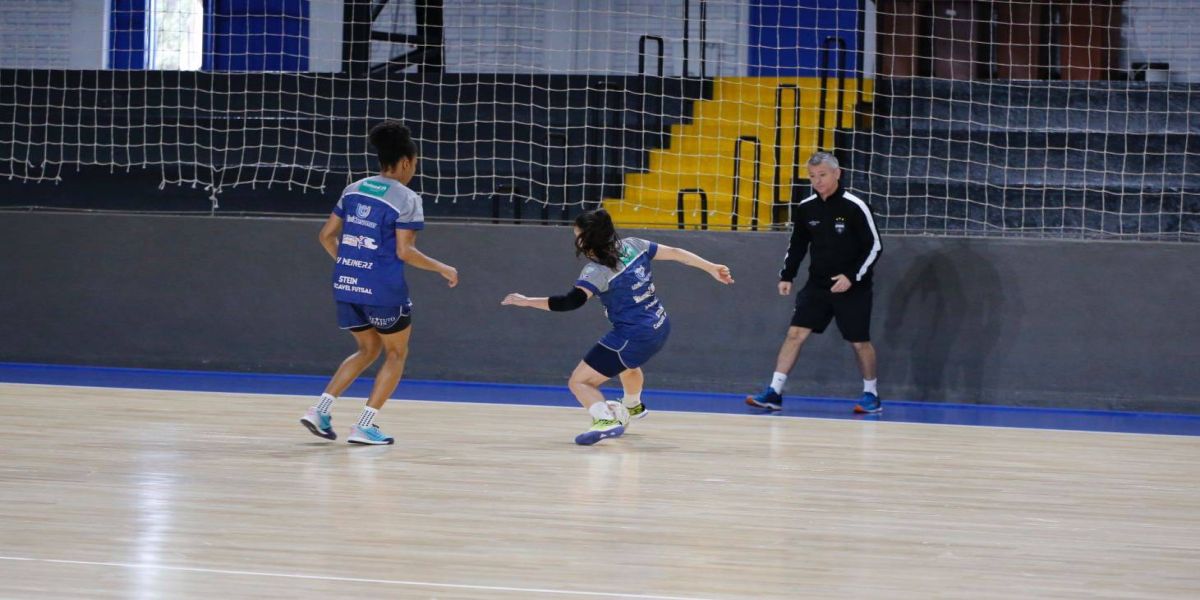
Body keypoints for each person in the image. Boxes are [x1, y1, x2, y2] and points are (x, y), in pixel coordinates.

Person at [502, 209, 733, 445]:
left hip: (632, 336)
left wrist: (528, 301)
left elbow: (569, 302)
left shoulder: (596, 271)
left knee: (579, 382)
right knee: (628, 365)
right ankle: (632, 405)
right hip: (660, 325)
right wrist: (711, 267)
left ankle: (605, 420)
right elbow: (675, 253)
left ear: (585, 239)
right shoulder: (634, 245)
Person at [300, 121, 458, 445]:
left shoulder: (353, 189)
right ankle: (364, 425)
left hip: (346, 284)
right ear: (405, 162)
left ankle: (320, 409)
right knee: (396, 354)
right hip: (383, 291)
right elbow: (405, 251)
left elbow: (326, 236)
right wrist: (443, 267)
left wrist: (350, 265)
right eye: (414, 163)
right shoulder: (407, 198)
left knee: (367, 348)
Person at [745, 152, 883, 414]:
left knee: (859, 341)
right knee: (795, 334)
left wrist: (852, 277)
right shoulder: (806, 207)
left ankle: (871, 395)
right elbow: (797, 244)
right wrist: (788, 275)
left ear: (837, 173)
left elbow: (874, 246)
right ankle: (774, 392)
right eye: (812, 176)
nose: (817, 181)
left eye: (822, 175)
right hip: (817, 285)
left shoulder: (855, 206)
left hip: (853, 286)